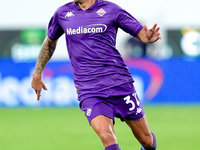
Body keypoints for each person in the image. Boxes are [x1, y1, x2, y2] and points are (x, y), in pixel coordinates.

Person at [31, 0, 161, 150]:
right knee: (107, 136)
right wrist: (37, 74)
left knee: (146, 140)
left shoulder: (111, 9)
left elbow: (141, 34)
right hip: (89, 90)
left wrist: (147, 37)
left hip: (119, 83)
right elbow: (50, 41)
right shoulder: (62, 13)